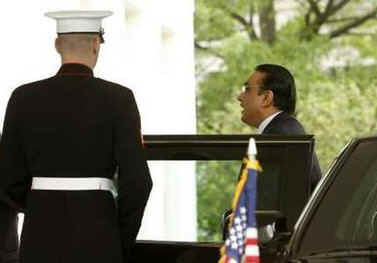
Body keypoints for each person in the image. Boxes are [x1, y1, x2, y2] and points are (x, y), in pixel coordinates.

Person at [0, 10, 152, 263]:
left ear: (57, 44)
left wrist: (39, 205)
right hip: (98, 229)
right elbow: (138, 182)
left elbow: (7, 178)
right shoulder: (119, 98)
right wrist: (119, 237)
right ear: (96, 45)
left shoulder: (23, 97)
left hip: (39, 230)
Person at [238, 64, 321, 191]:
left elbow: (261, 202)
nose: (239, 97)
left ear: (266, 98)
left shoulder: (278, 137)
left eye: (247, 89)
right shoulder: (285, 129)